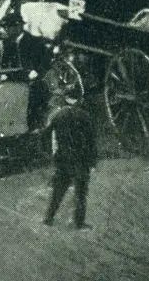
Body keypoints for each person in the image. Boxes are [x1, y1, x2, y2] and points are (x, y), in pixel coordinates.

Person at [41, 93, 97, 229]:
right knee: (81, 193)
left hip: (63, 159)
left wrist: (49, 154)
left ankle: (48, 218)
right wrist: (92, 162)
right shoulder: (85, 116)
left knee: (58, 191)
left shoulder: (57, 116)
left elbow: (44, 136)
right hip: (81, 160)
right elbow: (91, 141)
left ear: (65, 100)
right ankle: (79, 222)